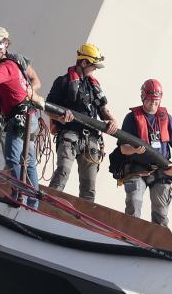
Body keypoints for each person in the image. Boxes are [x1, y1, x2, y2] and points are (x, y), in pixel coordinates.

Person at [0, 36, 45, 208]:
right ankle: (33, 203)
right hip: (27, 116)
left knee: (12, 158)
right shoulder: (12, 64)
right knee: (29, 161)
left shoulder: (5, 66)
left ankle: (19, 196)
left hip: (20, 119)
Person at [46, 43, 119, 202]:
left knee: (89, 185)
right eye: (93, 66)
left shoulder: (93, 86)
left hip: (91, 140)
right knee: (63, 172)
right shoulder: (63, 82)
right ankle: (48, 205)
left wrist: (112, 120)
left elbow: (103, 110)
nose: (95, 69)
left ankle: (84, 220)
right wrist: (59, 117)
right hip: (69, 136)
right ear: (84, 63)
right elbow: (48, 107)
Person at [118, 79, 172, 226]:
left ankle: (158, 245)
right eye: (150, 100)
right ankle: (130, 239)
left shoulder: (166, 119)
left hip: (162, 171)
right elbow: (123, 148)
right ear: (143, 97)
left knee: (161, 213)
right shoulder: (131, 118)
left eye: (156, 101)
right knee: (134, 203)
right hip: (138, 170)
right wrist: (134, 149)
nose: (153, 104)